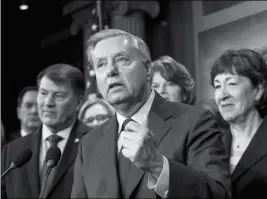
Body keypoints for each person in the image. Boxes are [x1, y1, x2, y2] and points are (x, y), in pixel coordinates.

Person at [71, 29, 231, 199]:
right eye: (101, 64)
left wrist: (158, 166)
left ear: (147, 69)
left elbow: (218, 194)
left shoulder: (195, 121)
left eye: (121, 59)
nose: (110, 70)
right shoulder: (88, 144)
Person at [2, 64, 91, 199]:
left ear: (78, 102)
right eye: (43, 93)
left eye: (58, 95)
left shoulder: (96, 142)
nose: (48, 102)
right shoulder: (12, 151)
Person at [210, 48, 267, 199]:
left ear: (259, 90)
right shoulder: (212, 146)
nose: (222, 95)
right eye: (217, 86)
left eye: (232, 84)